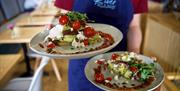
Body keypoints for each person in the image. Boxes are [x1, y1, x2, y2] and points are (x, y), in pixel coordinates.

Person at [54, 0, 148, 91]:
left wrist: (134, 52)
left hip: (119, 62)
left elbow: (134, 26)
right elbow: (65, 22)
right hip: (80, 61)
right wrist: (56, 34)